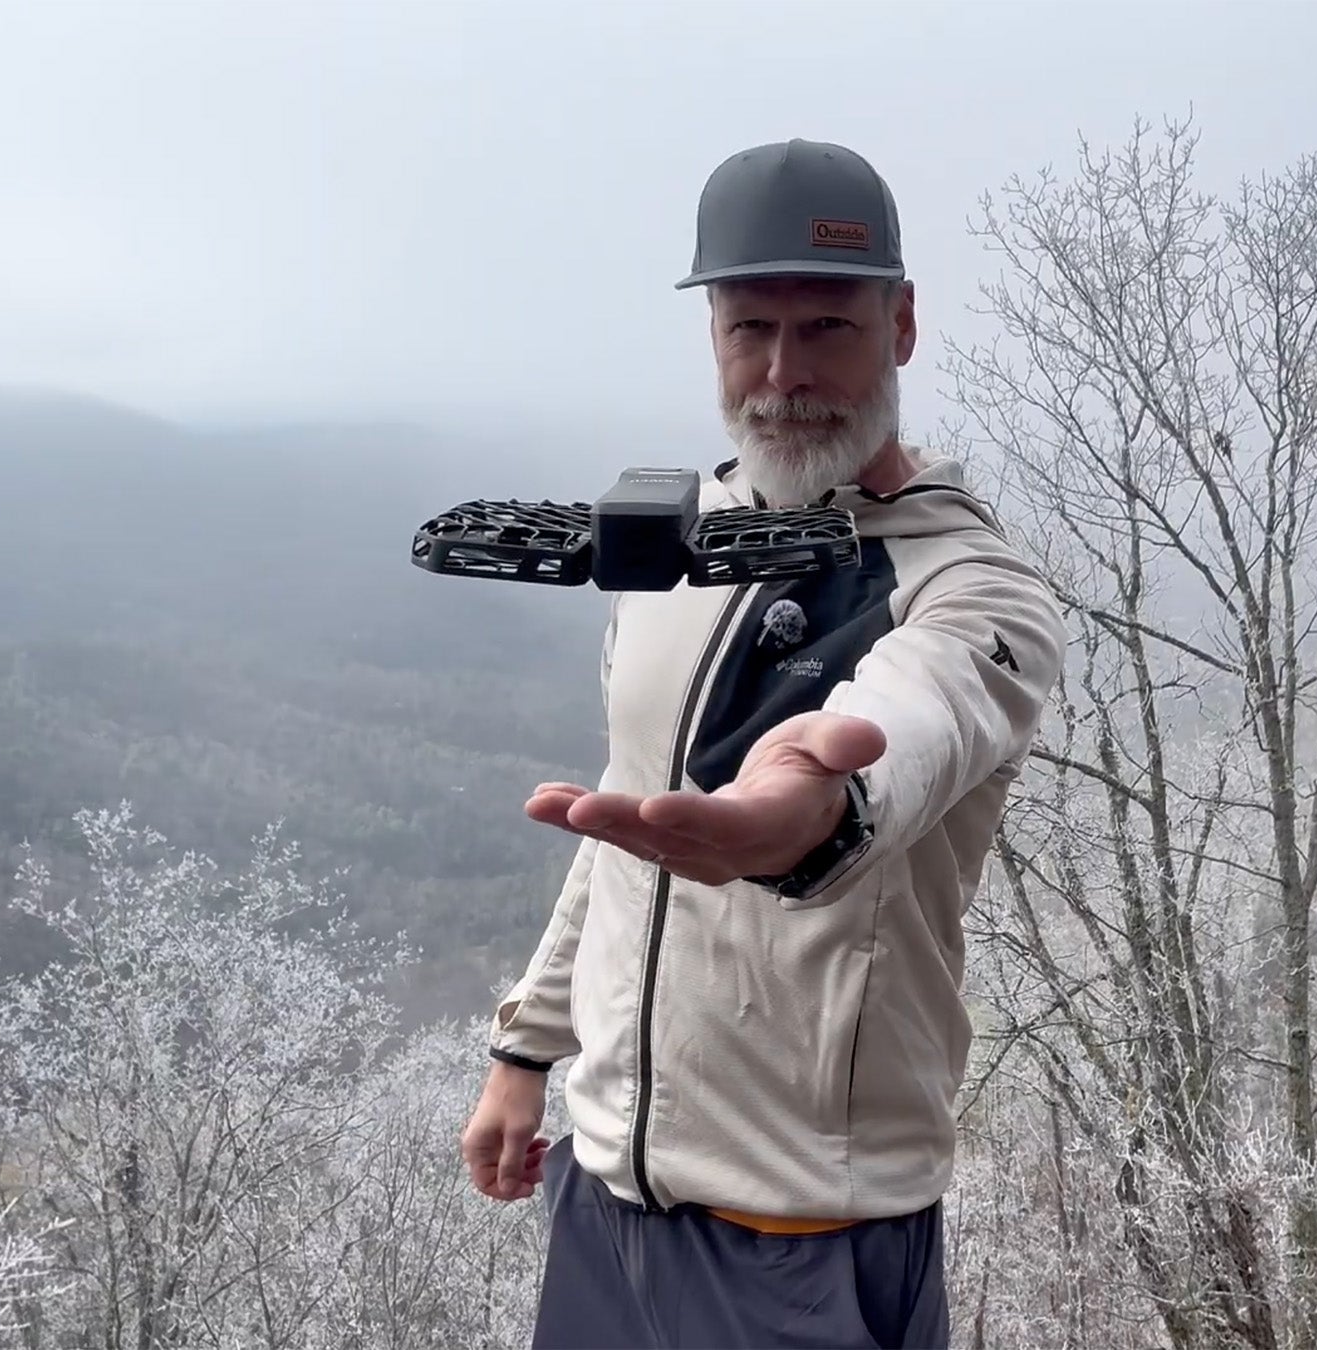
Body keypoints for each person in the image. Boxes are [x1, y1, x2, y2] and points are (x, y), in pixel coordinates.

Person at [458, 138, 1067, 1350]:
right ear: (715, 336)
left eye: (828, 327)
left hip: (801, 1236)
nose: (785, 373)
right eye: (752, 328)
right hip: (603, 1194)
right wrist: (527, 1049)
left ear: (900, 325)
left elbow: (909, 733)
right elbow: (630, 826)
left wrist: (798, 815)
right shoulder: (675, 558)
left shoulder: (970, 590)